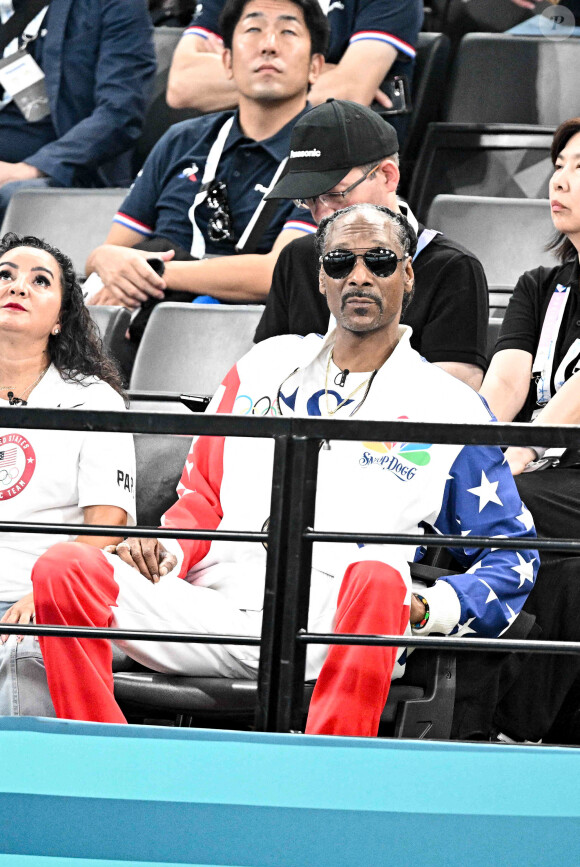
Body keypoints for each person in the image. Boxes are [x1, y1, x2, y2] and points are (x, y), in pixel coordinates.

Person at [32, 204, 537, 736]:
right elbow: (203, 503)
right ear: (321, 278)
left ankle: (325, 777)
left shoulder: (449, 406)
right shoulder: (260, 367)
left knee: (379, 580)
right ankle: (107, 757)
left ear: (407, 275)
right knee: (65, 567)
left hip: (341, 625)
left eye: (380, 261)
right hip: (210, 611)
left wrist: (420, 608)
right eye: (341, 262)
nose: (359, 276)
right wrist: (169, 551)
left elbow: (514, 557)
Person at [85, 0, 328, 327]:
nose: (269, 45)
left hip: (243, 336)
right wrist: (104, 260)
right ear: (226, 61)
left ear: (315, 67)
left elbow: (277, 273)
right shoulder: (181, 140)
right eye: (253, 29)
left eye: (288, 31)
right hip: (141, 320)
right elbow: (110, 253)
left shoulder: (326, 153)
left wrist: (151, 274)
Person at [257, 99, 488, 390]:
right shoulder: (297, 257)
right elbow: (264, 371)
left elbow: (456, 395)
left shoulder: (451, 267)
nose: (322, 212)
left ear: (388, 176)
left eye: (335, 194)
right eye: (309, 200)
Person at [0, 232, 136, 716]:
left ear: (60, 320)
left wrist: (41, 593)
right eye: (5, 275)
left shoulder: (93, 399)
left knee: (21, 655)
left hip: (45, 602)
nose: (17, 287)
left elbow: (106, 522)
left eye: (39, 281)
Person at [479, 118, 580, 744]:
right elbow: (503, 386)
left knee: (526, 508)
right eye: (561, 165)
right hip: (544, 466)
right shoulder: (539, 286)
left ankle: (519, 726)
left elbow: (572, 405)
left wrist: (517, 454)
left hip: (564, 464)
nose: (562, 180)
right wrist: (474, 453)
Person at [166, 0, 422, 142]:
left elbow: (348, 94)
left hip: (331, 160)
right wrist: (316, 72)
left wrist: (245, 68)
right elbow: (183, 84)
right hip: (233, 149)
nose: (269, 48)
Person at [0, 0, 156, 221]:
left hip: (61, 167)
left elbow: (120, 112)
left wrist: (30, 169)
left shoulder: (113, 5)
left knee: (14, 195)